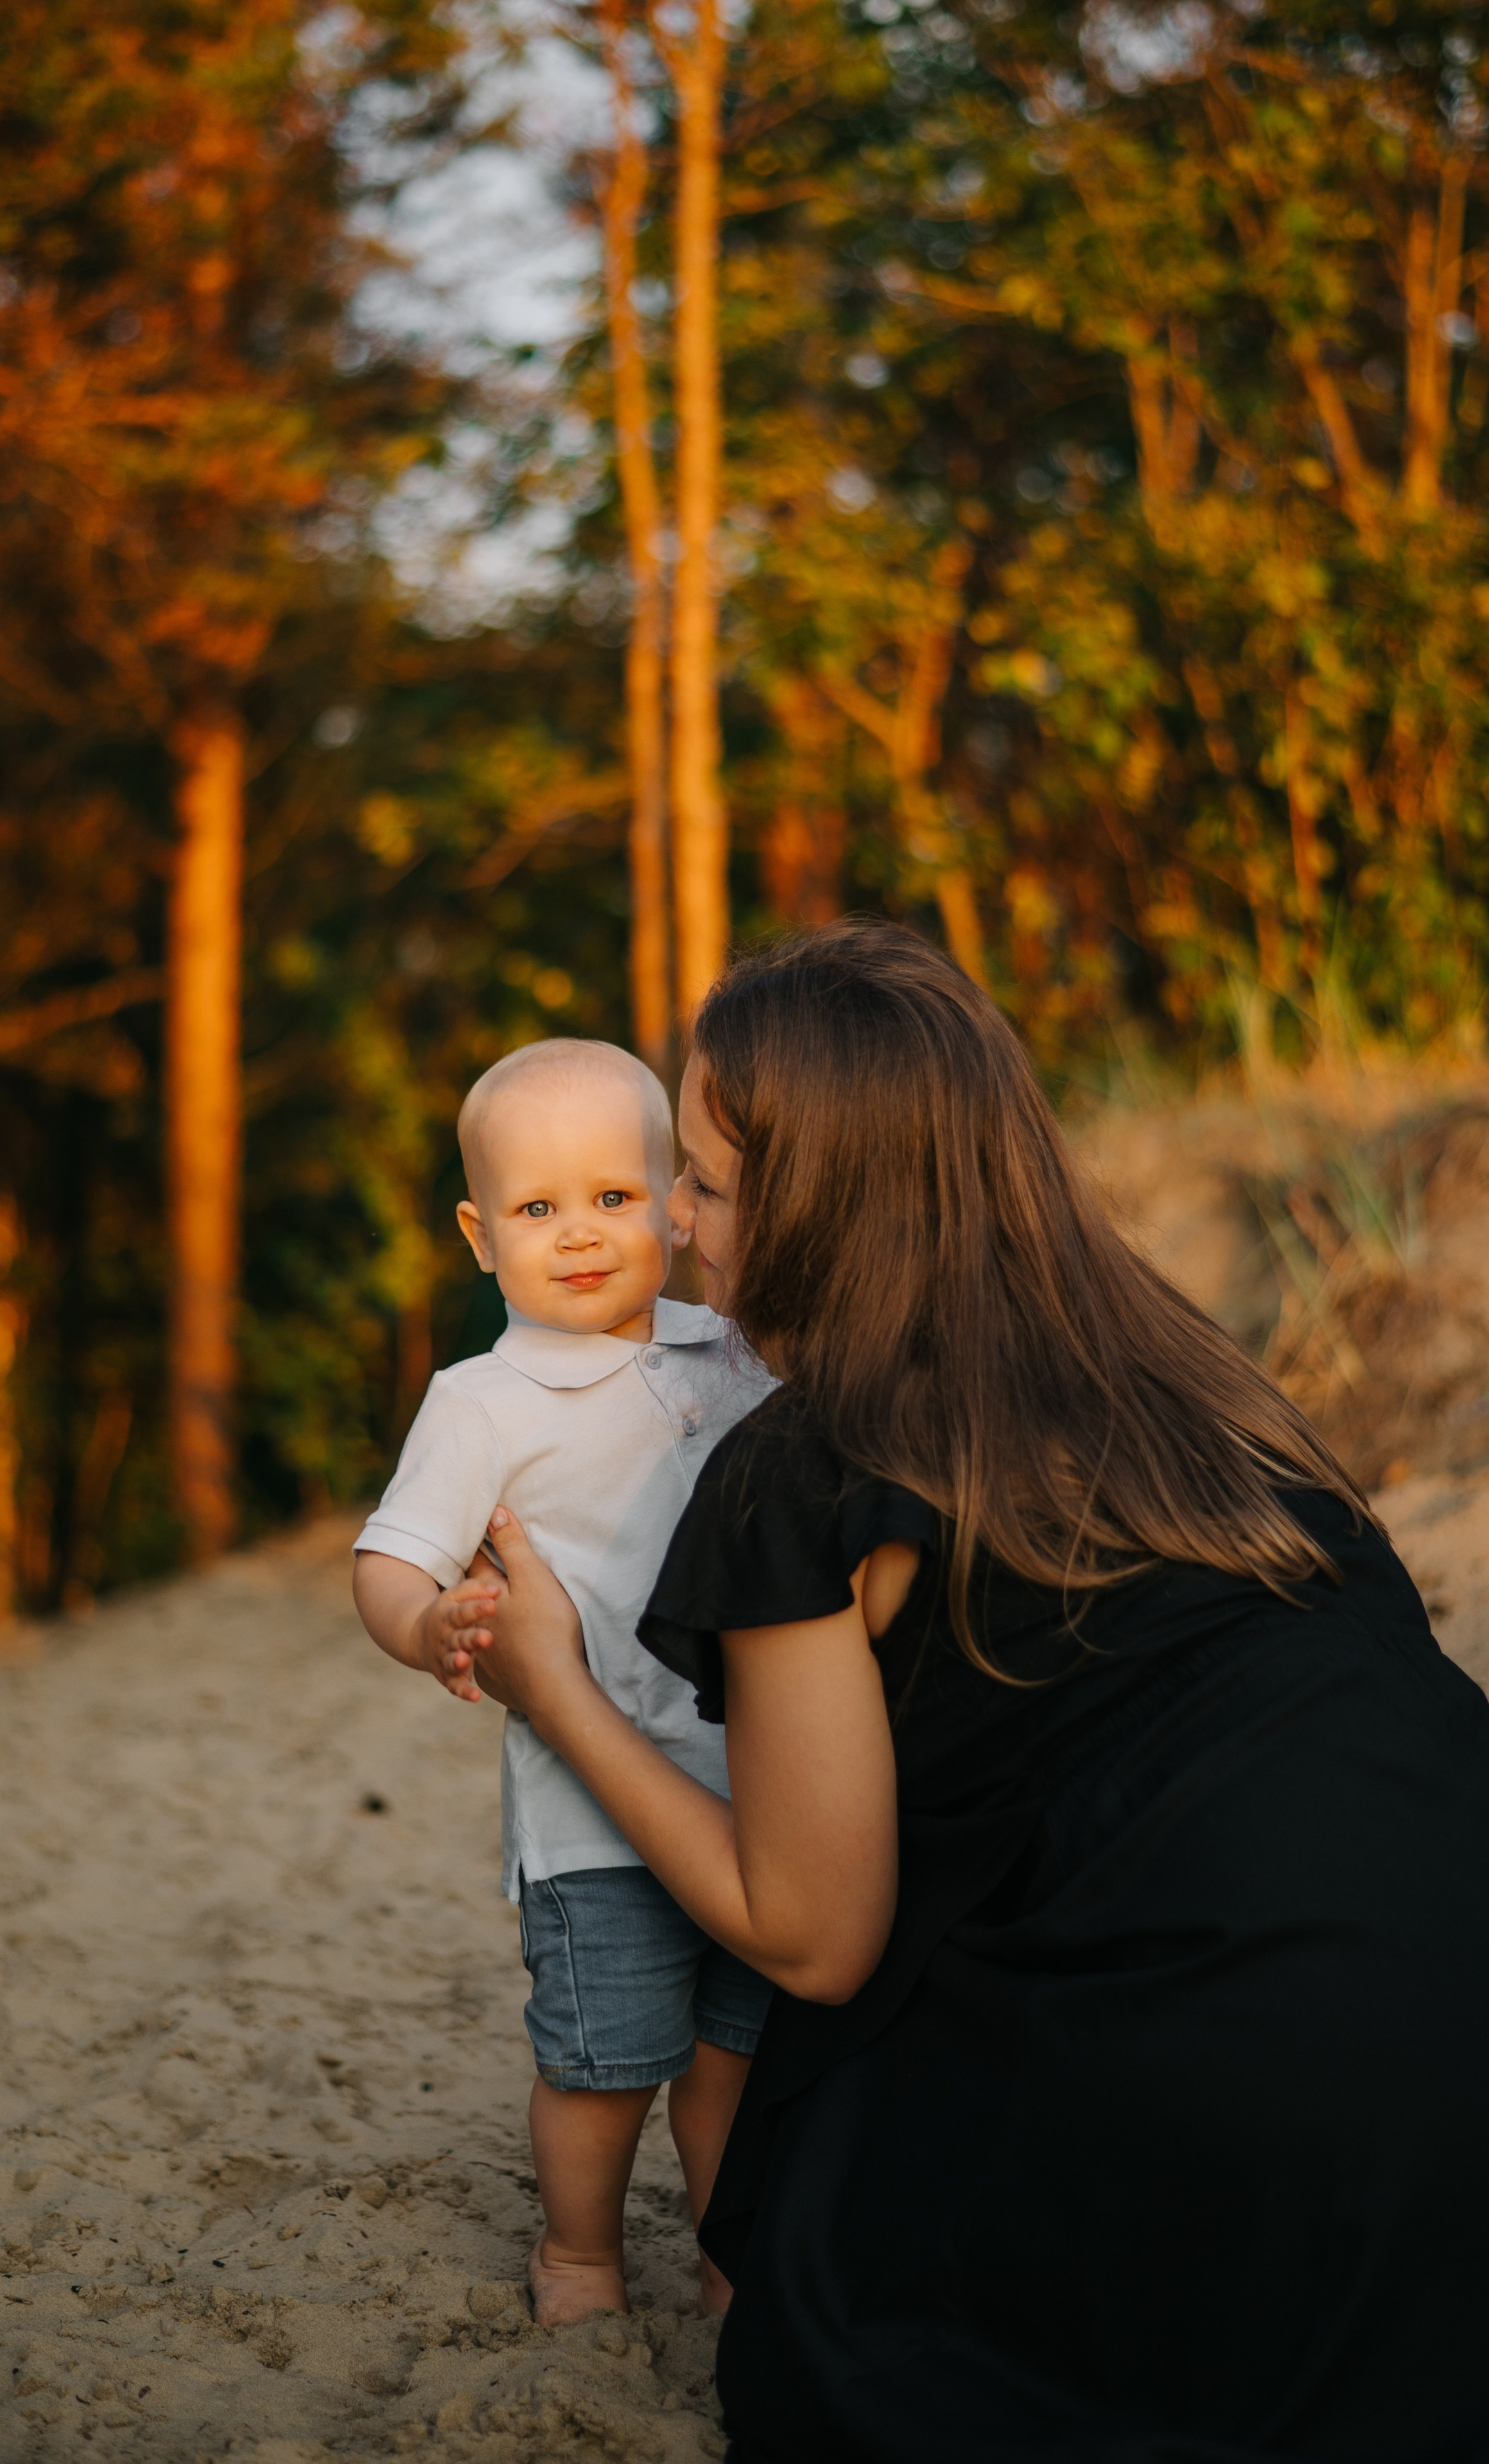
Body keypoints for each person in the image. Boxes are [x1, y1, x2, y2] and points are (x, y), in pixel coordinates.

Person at [449, 924, 1489, 2461]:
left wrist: (555, 1681)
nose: (672, 1216)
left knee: (850, 2270)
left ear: (823, 1212)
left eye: (710, 1185)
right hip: (1452, 1952)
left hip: (1262, 2088)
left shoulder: (806, 1463)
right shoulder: (1193, 1382)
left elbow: (812, 1933)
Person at [352, 1037, 771, 2327]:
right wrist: (431, 1626)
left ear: (677, 1201)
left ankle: (726, 2255)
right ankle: (582, 2249)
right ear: (482, 1236)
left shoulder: (738, 1354)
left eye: (614, 1197)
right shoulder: (482, 1402)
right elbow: (388, 1558)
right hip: (590, 1819)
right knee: (603, 2062)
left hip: (753, 1789)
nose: (579, 1235)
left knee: (731, 2058)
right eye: (538, 1210)